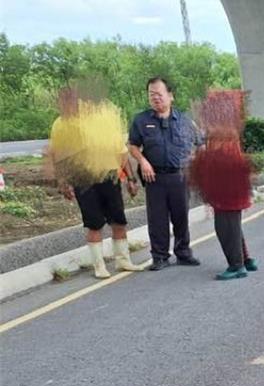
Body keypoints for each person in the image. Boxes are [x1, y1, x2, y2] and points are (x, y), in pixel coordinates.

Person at [47, 86, 147, 279]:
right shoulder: (60, 124)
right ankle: (99, 265)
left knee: (118, 220)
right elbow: (58, 156)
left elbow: (121, 151)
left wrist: (131, 179)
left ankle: (123, 260)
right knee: (94, 223)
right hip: (82, 178)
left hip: (109, 174)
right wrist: (63, 182)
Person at [128, 77, 202, 271]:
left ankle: (183, 253)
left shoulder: (185, 120)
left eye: (159, 94)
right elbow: (133, 145)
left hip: (180, 176)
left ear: (170, 96)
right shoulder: (141, 120)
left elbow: (200, 144)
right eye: (151, 95)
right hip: (155, 178)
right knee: (157, 219)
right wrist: (143, 161)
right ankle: (160, 257)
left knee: (181, 216)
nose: (155, 98)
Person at [188, 90, 257, 281]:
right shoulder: (227, 129)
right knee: (233, 226)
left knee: (225, 227)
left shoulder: (222, 131)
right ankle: (246, 260)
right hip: (232, 185)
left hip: (227, 186)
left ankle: (237, 266)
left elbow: (218, 160)